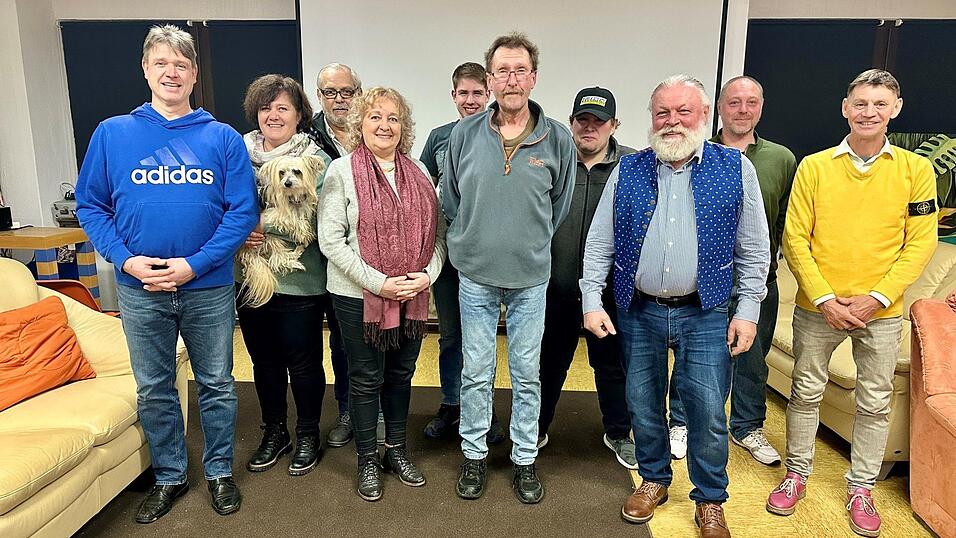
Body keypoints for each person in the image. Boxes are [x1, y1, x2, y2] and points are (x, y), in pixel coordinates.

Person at [75, 24, 258, 523]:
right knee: (154, 386)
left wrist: (194, 264)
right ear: (146, 69)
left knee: (217, 383)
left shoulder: (220, 138)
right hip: (140, 287)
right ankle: (170, 475)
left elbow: (241, 213)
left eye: (181, 65)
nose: (171, 72)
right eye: (162, 63)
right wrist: (127, 260)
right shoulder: (113, 133)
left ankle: (219, 472)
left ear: (195, 74)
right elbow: (91, 206)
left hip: (208, 287)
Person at [581, 74, 769, 538]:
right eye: (662, 112)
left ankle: (709, 499)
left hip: (705, 311)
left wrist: (747, 311)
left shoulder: (735, 168)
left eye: (683, 111)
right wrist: (591, 299)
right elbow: (600, 243)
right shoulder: (629, 169)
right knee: (642, 402)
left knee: (707, 409)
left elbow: (754, 249)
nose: (672, 121)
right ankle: (654, 479)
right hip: (638, 309)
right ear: (651, 119)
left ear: (704, 116)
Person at [767, 69, 937, 538]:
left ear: (895, 110)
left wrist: (875, 298)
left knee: (876, 402)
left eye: (879, 105)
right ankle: (796, 474)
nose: (869, 112)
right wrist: (824, 298)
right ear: (845, 108)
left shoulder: (915, 170)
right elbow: (795, 237)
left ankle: (861, 487)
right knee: (804, 392)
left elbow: (919, 243)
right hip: (817, 306)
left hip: (880, 313)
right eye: (860, 103)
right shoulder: (815, 166)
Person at [442, 32, 576, 504]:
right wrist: (470, 241)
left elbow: (558, 207)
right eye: (502, 71)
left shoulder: (558, 138)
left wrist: (527, 242)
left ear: (533, 78)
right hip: (475, 274)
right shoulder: (464, 133)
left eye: (520, 71)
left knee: (526, 372)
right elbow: (451, 199)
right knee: (475, 371)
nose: (511, 79)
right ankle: (474, 456)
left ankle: (523, 460)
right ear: (490, 79)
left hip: (529, 278)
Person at [318, 87, 446, 502]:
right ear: (360, 123)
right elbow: (330, 241)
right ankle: (367, 459)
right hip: (359, 298)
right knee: (366, 378)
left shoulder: (421, 174)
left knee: (400, 376)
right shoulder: (341, 171)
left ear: (404, 127)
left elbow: (439, 236)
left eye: (393, 118)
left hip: (412, 296)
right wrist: (379, 283)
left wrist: (426, 275)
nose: (384, 125)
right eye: (374, 117)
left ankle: (396, 449)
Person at [667, 75, 796, 466]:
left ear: (761, 106)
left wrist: (762, 265)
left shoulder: (781, 158)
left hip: (757, 282)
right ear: (718, 109)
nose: (743, 110)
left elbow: (781, 222)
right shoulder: (693, 151)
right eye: (734, 102)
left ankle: (747, 427)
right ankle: (682, 423)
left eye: (751, 102)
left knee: (753, 359)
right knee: (694, 357)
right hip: (706, 281)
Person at [235, 74, 332, 477]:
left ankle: (308, 432)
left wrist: (263, 224)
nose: (273, 115)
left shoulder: (318, 161)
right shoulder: (236, 154)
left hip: (301, 280)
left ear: (298, 115)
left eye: (282, 108)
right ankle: (274, 430)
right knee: (264, 362)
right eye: (265, 108)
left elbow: (323, 219)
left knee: (304, 361)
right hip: (252, 276)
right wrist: (242, 226)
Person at [537, 86, 636, 468]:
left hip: (609, 294)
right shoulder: (552, 161)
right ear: (572, 122)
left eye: (599, 122)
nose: (589, 128)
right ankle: (537, 427)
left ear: (614, 125)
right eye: (582, 120)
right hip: (555, 289)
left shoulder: (631, 166)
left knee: (611, 367)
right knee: (548, 364)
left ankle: (618, 433)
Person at [419, 61, 503, 443]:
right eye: (463, 93)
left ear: (488, 94)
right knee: (452, 336)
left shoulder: (505, 133)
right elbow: (421, 193)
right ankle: (452, 404)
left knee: (484, 338)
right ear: (453, 96)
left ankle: (482, 409)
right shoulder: (439, 138)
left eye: (477, 93)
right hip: (450, 256)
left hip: (491, 256)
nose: (471, 100)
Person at [309, 62, 364, 447]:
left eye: (347, 92)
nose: (340, 100)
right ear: (320, 96)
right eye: (331, 92)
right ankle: (338, 413)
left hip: (367, 258)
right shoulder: (305, 136)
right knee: (331, 342)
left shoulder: (373, 130)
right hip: (319, 258)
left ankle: (363, 411)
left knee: (363, 341)